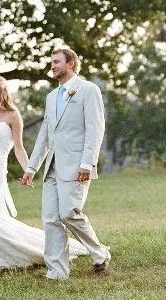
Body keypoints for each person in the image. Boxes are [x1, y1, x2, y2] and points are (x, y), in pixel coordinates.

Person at [0, 75, 87, 284]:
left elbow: (18, 148)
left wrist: (29, 170)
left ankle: (32, 251)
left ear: (1, 93)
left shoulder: (12, 116)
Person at [21, 48, 110, 280]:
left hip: (77, 164)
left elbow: (95, 128)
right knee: (50, 218)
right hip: (52, 166)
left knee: (69, 213)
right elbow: (45, 135)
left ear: (71, 63)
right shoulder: (51, 97)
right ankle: (57, 272)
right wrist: (31, 168)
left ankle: (100, 254)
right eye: (51, 62)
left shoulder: (88, 90)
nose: (52, 66)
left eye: (56, 62)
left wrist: (88, 163)